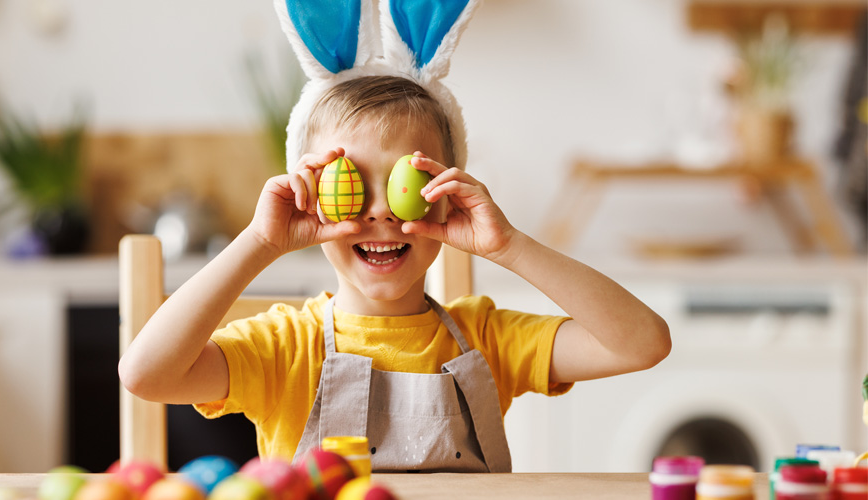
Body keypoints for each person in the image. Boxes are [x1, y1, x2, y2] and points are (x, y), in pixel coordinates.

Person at [118, 74, 671, 472]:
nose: (381, 210)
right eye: (350, 182)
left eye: (404, 182)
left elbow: (641, 343)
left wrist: (508, 246)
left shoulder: (486, 339)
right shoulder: (286, 347)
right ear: (311, 199)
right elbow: (147, 375)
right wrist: (261, 243)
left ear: (447, 195)